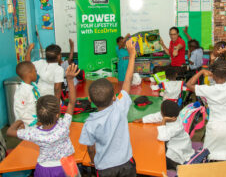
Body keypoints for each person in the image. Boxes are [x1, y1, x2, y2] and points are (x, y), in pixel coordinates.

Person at [7, 64, 79, 177]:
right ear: (57, 115)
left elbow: (9, 132)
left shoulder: (34, 133)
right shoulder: (63, 126)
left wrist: (18, 122)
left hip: (45, 170)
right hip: (66, 165)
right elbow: (71, 102)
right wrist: (69, 80)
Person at [79, 39, 136, 177]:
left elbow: (91, 148)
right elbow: (127, 81)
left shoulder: (89, 124)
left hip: (104, 168)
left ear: (90, 100)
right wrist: (132, 55)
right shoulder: (120, 107)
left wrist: (93, 162)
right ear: (114, 97)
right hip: (126, 164)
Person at [186, 46, 226, 161]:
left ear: (213, 75)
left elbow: (189, 84)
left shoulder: (208, 90)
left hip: (215, 127)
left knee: (210, 155)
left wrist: (201, 71)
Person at [133, 100, 194, 170]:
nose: (160, 113)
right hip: (171, 143)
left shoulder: (176, 127)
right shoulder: (171, 115)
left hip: (178, 148)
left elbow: (162, 137)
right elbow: (156, 116)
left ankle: (175, 166)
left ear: (172, 118)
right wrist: (142, 119)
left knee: (161, 160)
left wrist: (163, 120)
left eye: (161, 113)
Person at [14, 61, 39, 127]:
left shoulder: (33, 85)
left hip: (37, 120)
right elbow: (20, 110)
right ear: (29, 74)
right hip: (27, 124)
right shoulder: (22, 91)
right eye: (35, 71)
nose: (36, 73)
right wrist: (33, 122)